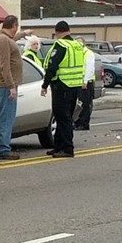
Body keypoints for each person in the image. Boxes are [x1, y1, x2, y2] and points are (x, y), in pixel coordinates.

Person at [40, 20, 87, 158]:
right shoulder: (77, 45)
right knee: (64, 117)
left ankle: (67, 148)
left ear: (57, 32)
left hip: (61, 86)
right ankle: (59, 146)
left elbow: (52, 67)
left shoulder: (61, 45)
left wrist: (45, 85)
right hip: (74, 86)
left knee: (62, 117)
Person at [0, 14, 24, 161]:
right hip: (5, 86)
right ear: (14, 26)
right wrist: (11, 86)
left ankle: (4, 146)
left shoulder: (4, 38)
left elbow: (12, 41)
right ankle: (3, 148)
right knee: (6, 117)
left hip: (5, 85)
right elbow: (4, 65)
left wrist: (24, 34)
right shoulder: (3, 40)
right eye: (17, 28)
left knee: (7, 116)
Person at [74, 40, 102, 131]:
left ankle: (84, 124)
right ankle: (78, 122)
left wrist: (85, 81)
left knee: (85, 104)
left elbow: (89, 68)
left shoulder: (88, 53)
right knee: (79, 104)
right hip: (79, 82)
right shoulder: (78, 53)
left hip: (86, 83)